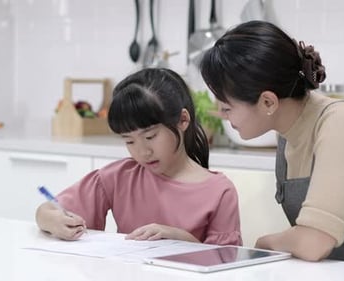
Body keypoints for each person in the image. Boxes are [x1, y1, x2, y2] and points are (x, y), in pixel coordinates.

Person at [199, 20, 344, 269]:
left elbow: (314, 242)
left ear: (268, 102)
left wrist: (263, 243)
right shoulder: (288, 133)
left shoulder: (340, 123)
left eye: (226, 107)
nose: (222, 116)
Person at [35, 68, 242, 246]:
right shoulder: (118, 177)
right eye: (129, 141)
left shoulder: (219, 191)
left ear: (183, 120)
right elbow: (47, 210)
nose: (142, 152)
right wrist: (53, 221)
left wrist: (179, 238)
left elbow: (225, 264)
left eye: (150, 136)